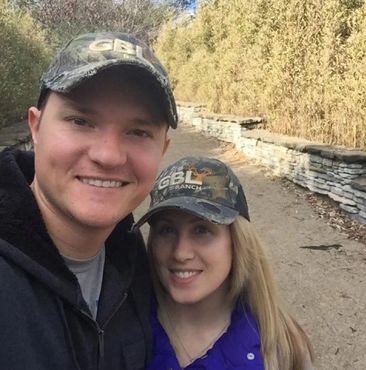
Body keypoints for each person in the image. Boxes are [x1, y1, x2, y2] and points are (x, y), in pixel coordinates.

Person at [0, 32, 177, 370]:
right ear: (35, 128)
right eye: (81, 121)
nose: (109, 156)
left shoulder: (133, 255)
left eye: (138, 132)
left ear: (162, 150)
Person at [134, 156, 314, 370]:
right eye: (167, 230)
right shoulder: (122, 327)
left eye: (202, 230)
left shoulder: (283, 348)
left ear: (237, 241)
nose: (180, 253)